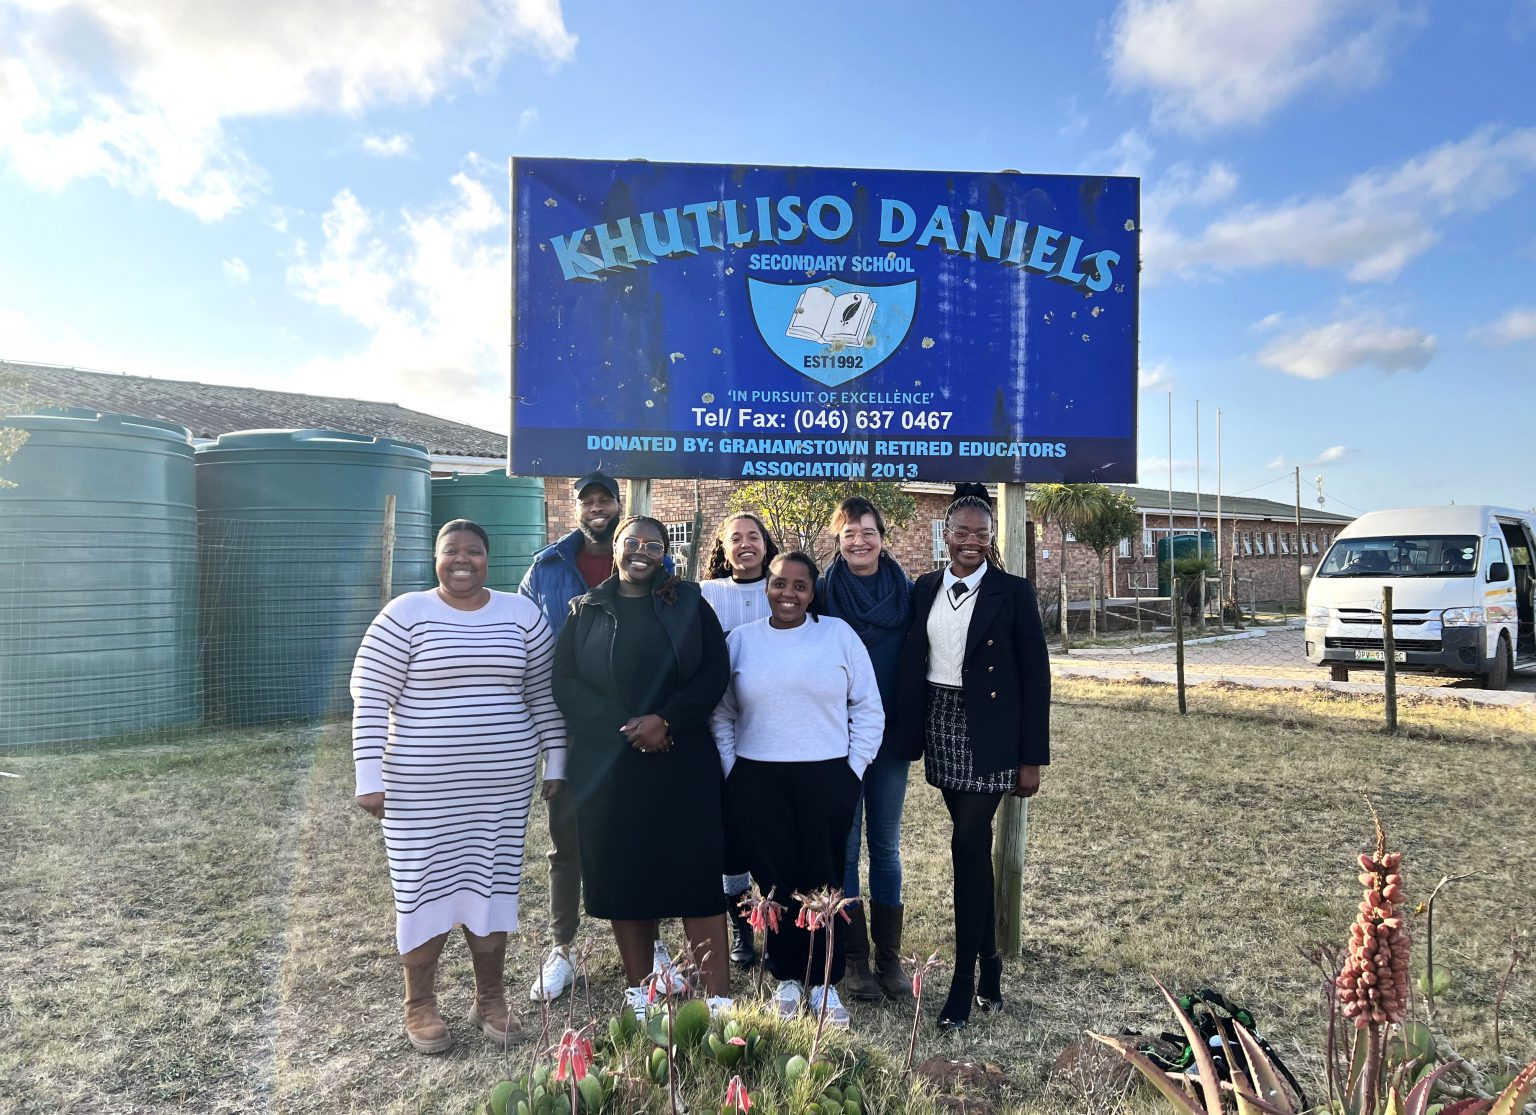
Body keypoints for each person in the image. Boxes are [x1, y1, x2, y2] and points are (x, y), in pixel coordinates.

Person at [351, 519, 567, 1053]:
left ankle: (489, 996)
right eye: (452, 551)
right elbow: (372, 699)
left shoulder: (521, 615)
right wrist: (367, 777)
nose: (463, 560)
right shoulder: (404, 615)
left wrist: (556, 761)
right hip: (419, 789)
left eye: (474, 551)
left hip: (502, 789)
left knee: (492, 888)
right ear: (435, 557)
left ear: (488, 559)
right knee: (421, 886)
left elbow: (543, 694)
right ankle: (419, 1004)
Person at [551, 516, 733, 1015]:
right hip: (608, 762)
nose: (642, 551)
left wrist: (666, 720)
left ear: (664, 553)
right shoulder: (584, 609)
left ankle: (717, 999)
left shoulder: (691, 603)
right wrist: (628, 727)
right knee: (623, 871)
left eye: (654, 544)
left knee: (695, 871)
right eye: (632, 542)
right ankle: (642, 991)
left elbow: (715, 671)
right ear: (615, 546)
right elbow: (565, 683)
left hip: (682, 756)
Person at [518, 471, 677, 1002]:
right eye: (587, 501)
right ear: (576, 508)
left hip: (637, 724)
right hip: (570, 722)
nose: (597, 509)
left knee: (641, 835)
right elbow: (531, 643)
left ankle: (652, 946)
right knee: (568, 842)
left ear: (618, 505)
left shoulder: (659, 564)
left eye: (606, 499)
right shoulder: (545, 569)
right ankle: (563, 949)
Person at [896, 486, 1050, 1032]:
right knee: (973, 847)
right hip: (940, 723)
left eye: (979, 534)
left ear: (990, 539)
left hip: (991, 733)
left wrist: (1031, 759)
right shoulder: (925, 587)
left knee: (965, 843)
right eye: (959, 532)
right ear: (946, 535)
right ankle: (989, 965)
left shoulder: (1013, 590)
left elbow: (1036, 676)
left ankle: (963, 981)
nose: (968, 542)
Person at [713, 551, 883, 1028]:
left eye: (800, 586)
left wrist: (852, 770)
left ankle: (824, 985)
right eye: (779, 583)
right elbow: (722, 713)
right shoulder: (742, 641)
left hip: (827, 776)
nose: (788, 594)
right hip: (757, 777)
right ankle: (786, 978)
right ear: (766, 586)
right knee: (774, 881)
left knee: (823, 879)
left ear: (813, 592)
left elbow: (868, 707)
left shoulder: (837, 636)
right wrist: (733, 770)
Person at [816, 496, 917, 1002]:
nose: (859, 541)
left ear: (883, 536)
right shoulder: (821, 592)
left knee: (886, 845)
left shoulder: (907, 593)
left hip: (891, 736)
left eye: (868, 531)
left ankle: (890, 960)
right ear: (838, 540)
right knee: (845, 847)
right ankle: (854, 961)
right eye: (849, 533)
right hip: (837, 738)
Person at [697, 510, 781, 969]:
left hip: (770, 731)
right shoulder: (707, 595)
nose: (746, 544)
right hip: (716, 730)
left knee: (768, 834)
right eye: (736, 538)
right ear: (723, 549)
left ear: (765, 545)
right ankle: (742, 928)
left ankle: (773, 922)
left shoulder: (782, 591)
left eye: (753, 536)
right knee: (731, 840)